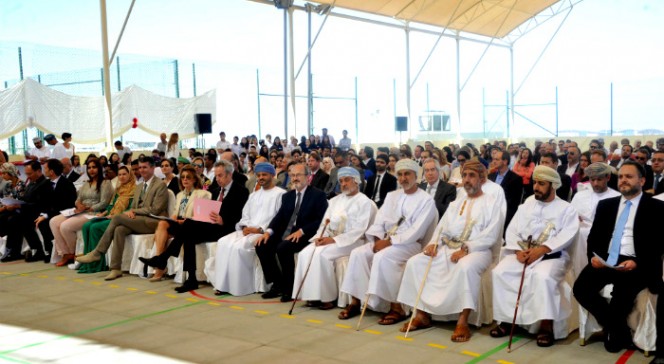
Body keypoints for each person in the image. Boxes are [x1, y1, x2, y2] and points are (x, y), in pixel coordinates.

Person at [397, 160, 504, 341]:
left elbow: (491, 235)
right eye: (464, 176)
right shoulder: (457, 202)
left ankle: (462, 320)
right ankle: (422, 314)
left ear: (482, 178)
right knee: (416, 262)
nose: (467, 180)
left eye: (471, 175)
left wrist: (467, 248)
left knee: (465, 267)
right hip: (449, 246)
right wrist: (434, 243)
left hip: (479, 250)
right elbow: (441, 227)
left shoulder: (492, 202)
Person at [574, 161, 664, 353]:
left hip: (636, 262)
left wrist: (637, 262)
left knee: (620, 299)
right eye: (621, 176)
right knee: (581, 288)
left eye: (629, 177)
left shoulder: (656, 207)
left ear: (642, 180)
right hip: (607, 259)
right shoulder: (606, 205)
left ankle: (614, 329)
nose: (623, 180)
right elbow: (594, 237)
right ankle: (618, 328)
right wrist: (594, 257)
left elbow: (658, 244)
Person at [338, 159, 437, 323]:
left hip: (409, 244)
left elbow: (416, 231)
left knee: (383, 257)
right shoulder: (392, 196)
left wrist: (389, 243)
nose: (403, 178)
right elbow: (379, 221)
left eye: (407, 174)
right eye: (400, 174)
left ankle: (396, 307)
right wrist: (378, 240)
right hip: (384, 240)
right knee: (358, 253)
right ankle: (357, 301)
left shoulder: (426, 200)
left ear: (416, 176)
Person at [490, 165, 579, 347]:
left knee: (542, 277)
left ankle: (546, 325)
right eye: (535, 182)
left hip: (551, 255)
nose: (536, 187)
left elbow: (568, 234)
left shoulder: (566, 209)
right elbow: (512, 229)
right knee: (500, 272)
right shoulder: (527, 204)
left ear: (553, 185)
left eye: (541, 184)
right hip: (523, 252)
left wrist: (543, 249)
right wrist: (517, 250)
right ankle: (507, 320)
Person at [140, 160, 249, 292]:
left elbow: (242, 216)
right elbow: (209, 212)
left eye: (220, 175)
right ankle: (191, 279)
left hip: (227, 228)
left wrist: (223, 220)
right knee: (188, 233)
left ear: (230, 174)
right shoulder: (215, 191)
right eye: (216, 175)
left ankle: (163, 259)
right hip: (211, 226)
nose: (217, 179)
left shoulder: (241, 191)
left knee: (188, 227)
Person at [292, 167, 376, 308]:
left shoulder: (365, 202)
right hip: (330, 239)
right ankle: (311, 295)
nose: (343, 184)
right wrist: (320, 237)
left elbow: (359, 230)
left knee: (321, 255)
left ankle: (326, 298)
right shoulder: (334, 201)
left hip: (353, 242)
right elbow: (325, 223)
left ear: (356, 181)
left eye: (347, 180)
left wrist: (333, 240)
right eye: (341, 181)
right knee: (305, 253)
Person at [76, 157, 169, 280]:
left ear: (152, 168)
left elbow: (155, 209)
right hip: (139, 220)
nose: (141, 170)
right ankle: (116, 268)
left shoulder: (160, 185)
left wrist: (133, 211)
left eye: (145, 167)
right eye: (140, 167)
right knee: (119, 229)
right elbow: (134, 206)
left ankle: (98, 252)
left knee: (118, 218)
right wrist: (132, 213)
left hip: (155, 221)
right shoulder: (140, 186)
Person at [255, 163, 328, 302]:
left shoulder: (318, 195)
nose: (295, 178)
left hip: (306, 233)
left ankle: (289, 289)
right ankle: (277, 284)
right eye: (292, 175)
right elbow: (279, 217)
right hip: (286, 231)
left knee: (283, 248)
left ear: (307, 177)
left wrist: (302, 231)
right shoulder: (287, 196)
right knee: (261, 244)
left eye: (298, 175)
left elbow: (321, 220)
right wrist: (268, 232)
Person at [210, 162, 285, 296]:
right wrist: (244, 226)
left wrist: (260, 230)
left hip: (264, 232)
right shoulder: (253, 195)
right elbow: (245, 215)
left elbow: (278, 217)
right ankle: (223, 284)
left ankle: (241, 287)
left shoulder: (281, 194)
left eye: (264, 175)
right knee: (223, 242)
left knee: (239, 248)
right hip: (248, 230)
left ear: (273, 176)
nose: (261, 177)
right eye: (259, 175)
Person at [148, 165, 211, 281]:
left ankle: (159, 266)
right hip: (179, 223)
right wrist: (172, 219)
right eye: (182, 177)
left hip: (191, 225)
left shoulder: (203, 194)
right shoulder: (180, 195)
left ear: (194, 179)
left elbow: (201, 217)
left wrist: (184, 221)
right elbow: (175, 213)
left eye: (188, 177)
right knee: (162, 223)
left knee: (164, 230)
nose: (185, 179)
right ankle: (160, 262)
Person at [50, 158, 113, 267]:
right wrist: (78, 204)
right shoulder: (86, 183)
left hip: (93, 213)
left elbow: (104, 203)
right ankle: (66, 253)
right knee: (53, 222)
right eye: (89, 168)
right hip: (80, 210)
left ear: (99, 168)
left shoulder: (105, 183)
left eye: (94, 167)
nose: (91, 170)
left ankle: (74, 253)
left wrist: (89, 208)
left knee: (65, 226)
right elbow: (78, 199)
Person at [78, 166, 136, 273]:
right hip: (111, 216)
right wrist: (103, 213)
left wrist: (115, 216)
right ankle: (86, 262)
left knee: (95, 227)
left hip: (122, 219)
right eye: (119, 175)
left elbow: (131, 209)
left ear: (130, 175)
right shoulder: (118, 189)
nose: (122, 177)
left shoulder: (135, 190)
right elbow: (111, 206)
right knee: (87, 226)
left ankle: (97, 264)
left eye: (124, 174)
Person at [569, 162, 621, 279]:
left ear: (607, 177)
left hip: (604, 239)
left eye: (599, 179)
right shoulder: (580, 196)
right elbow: (569, 216)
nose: (595, 183)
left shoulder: (617, 197)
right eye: (592, 180)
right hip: (579, 236)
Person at [489, 150, 523, 230]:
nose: (493, 162)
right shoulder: (491, 176)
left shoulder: (515, 179)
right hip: (489, 213)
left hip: (504, 216)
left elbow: (514, 204)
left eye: (497, 159)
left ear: (505, 161)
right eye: (493, 159)